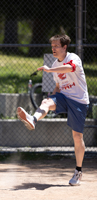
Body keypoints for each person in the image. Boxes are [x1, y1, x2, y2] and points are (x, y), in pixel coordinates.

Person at [17, 34, 89, 186]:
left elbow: (71, 68)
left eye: (56, 46)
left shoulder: (73, 58)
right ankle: (33, 119)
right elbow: (58, 86)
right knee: (46, 101)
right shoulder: (55, 65)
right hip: (64, 97)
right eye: (52, 46)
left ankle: (78, 171)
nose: (53, 49)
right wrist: (51, 100)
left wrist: (50, 70)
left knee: (77, 137)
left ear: (64, 47)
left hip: (79, 101)